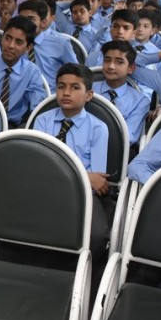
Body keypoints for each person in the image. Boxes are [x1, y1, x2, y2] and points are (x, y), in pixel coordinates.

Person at [32, 63, 110, 261]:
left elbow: (97, 181)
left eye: (75, 87)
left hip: (82, 193)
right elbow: (37, 167)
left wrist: (85, 179)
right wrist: (84, 175)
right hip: (44, 188)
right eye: (61, 87)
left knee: (96, 235)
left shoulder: (98, 128)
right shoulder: (42, 121)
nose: (66, 92)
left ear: (88, 95)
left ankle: (81, 273)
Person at [0, 16, 48, 127]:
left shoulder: (31, 72)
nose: (11, 46)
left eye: (18, 42)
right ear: (2, 38)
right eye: (8, 38)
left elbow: (37, 108)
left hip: (12, 127)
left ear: (28, 48)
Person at [92, 40, 150, 148]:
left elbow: (128, 137)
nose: (111, 66)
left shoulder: (140, 102)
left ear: (131, 68)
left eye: (119, 62)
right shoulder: (88, 89)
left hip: (113, 151)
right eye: (107, 60)